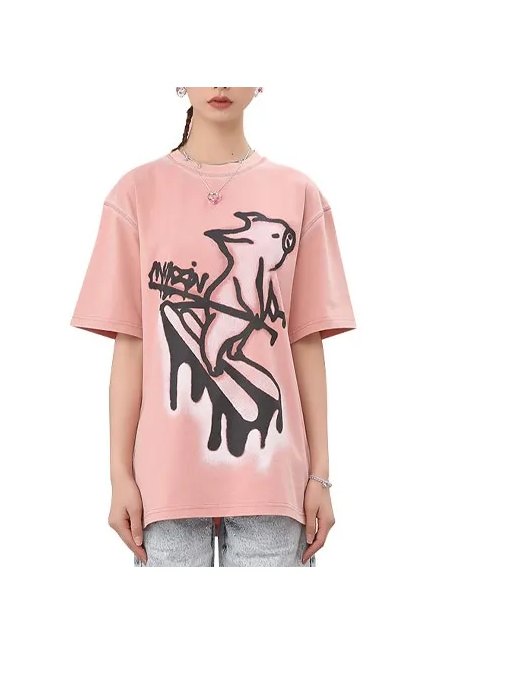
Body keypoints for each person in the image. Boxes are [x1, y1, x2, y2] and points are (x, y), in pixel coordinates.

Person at [70, 87, 357, 567]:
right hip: (166, 482)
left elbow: (305, 342)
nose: (220, 81)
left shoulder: (298, 193)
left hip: (272, 482)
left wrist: (320, 476)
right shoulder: (136, 194)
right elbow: (131, 344)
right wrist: (120, 475)